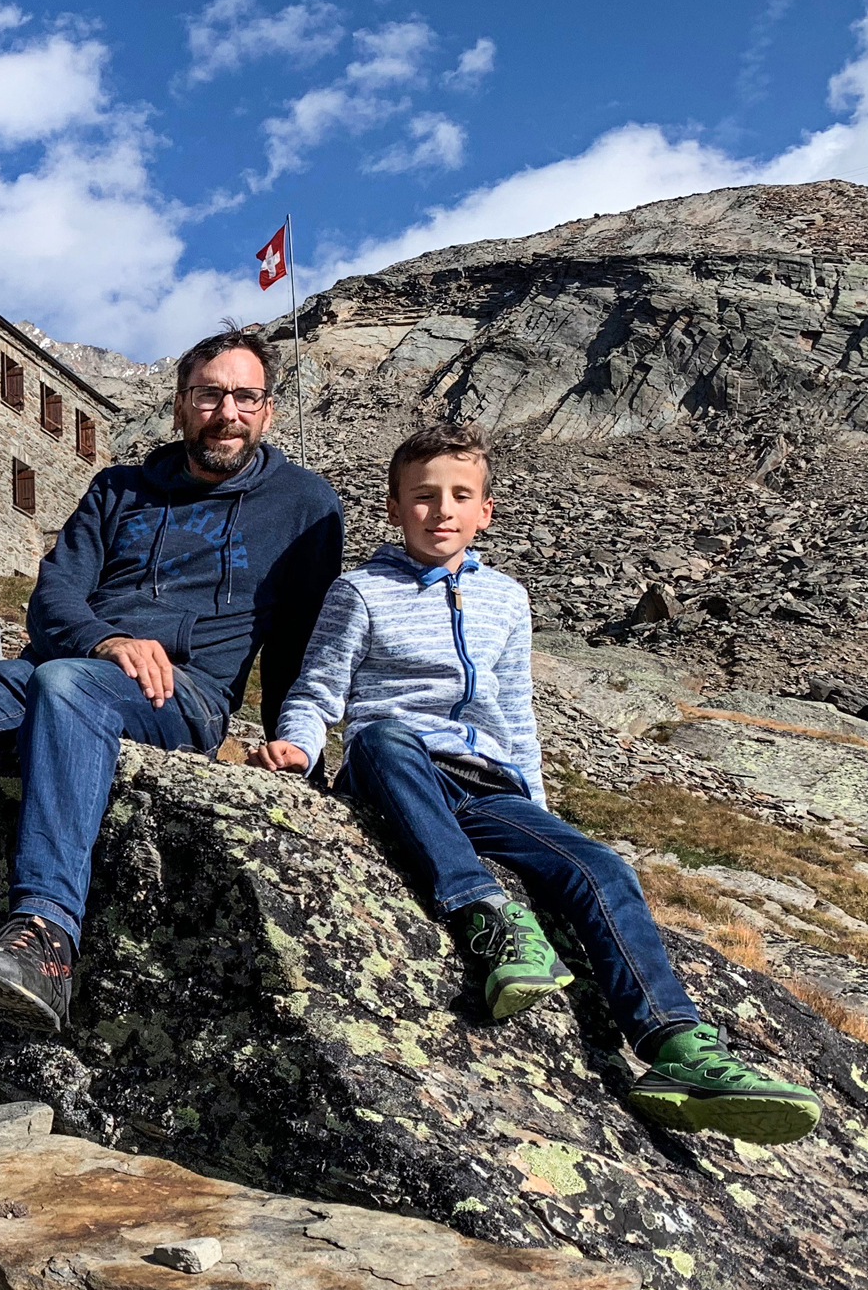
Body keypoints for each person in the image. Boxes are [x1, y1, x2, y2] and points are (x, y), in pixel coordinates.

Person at [250, 420, 821, 1145]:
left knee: (599, 865)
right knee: (385, 736)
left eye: (460, 495)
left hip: (486, 785)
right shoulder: (359, 592)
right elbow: (317, 689)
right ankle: (485, 914)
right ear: (393, 508)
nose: (441, 510)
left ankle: (676, 1045)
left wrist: (539, 819)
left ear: (485, 510)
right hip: (392, 770)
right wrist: (296, 749)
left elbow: (514, 713)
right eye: (422, 497)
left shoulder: (507, 600)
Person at [0, 329, 346, 1064]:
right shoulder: (117, 489)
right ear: (181, 405)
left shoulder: (304, 504)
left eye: (245, 397)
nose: (226, 412)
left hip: (183, 693)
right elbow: (51, 599)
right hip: (69, 668)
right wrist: (105, 640)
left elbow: (300, 646)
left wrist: (297, 751)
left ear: (267, 411)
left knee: (63, 681)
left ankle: (46, 935)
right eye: (209, 394)